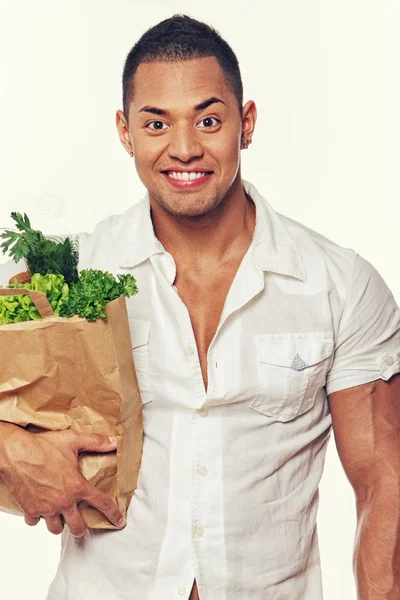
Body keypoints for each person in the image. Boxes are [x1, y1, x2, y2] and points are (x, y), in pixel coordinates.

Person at [1, 13, 399, 600]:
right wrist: (10, 449)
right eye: (156, 123)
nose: (184, 148)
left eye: (208, 120)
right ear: (125, 131)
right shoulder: (64, 276)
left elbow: (384, 482)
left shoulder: (339, 284)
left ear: (247, 123)